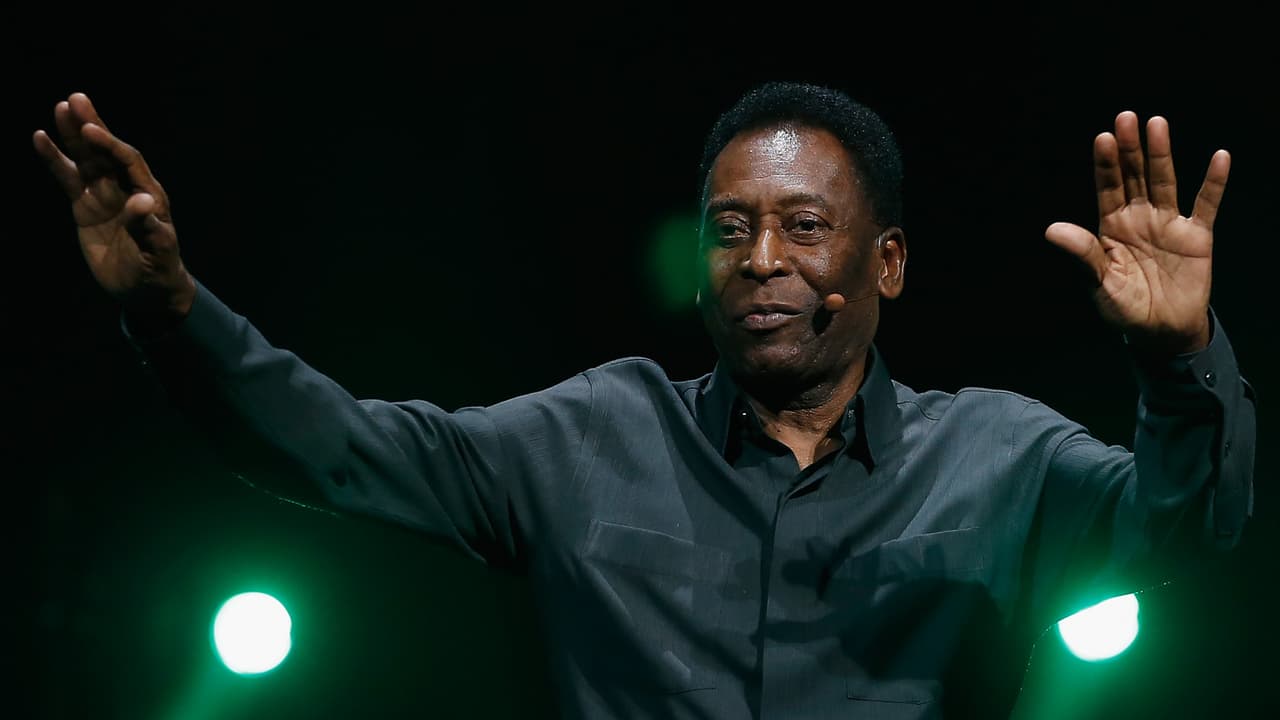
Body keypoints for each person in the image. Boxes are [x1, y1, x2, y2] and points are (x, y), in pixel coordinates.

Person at [34, 81, 1256, 719]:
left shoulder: (997, 453)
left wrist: (1176, 358)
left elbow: (1187, 531)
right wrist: (170, 309)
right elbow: (338, 448)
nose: (760, 259)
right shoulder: (591, 436)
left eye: (802, 227)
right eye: (729, 229)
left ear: (884, 262)